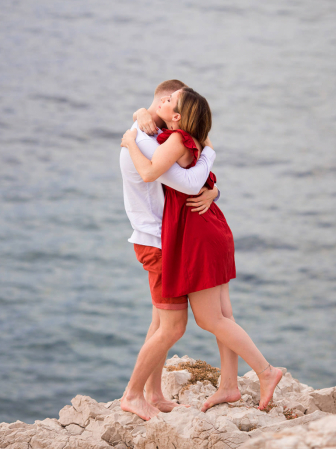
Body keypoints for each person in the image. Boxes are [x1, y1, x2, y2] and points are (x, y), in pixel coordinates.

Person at [121, 87, 284, 414]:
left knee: (205, 320)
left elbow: (156, 172)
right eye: (163, 100)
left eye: (170, 101)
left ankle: (266, 372)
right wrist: (140, 115)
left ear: (179, 116)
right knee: (218, 315)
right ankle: (227, 385)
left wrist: (129, 138)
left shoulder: (174, 141)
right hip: (210, 227)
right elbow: (200, 174)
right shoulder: (182, 138)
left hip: (193, 236)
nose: (164, 104)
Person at [118, 80, 232, 421]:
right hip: (157, 241)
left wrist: (214, 191)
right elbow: (181, 178)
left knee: (159, 323)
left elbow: (195, 175)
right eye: (170, 101)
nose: (173, 108)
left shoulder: (160, 136)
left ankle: (153, 393)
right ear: (163, 103)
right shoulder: (145, 140)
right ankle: (133, 394)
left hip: (162, 240)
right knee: (173, 327)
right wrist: (133, 132)